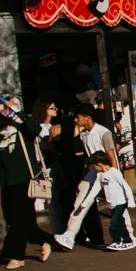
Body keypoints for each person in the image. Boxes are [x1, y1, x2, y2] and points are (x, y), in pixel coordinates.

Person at [0, 94, 54, 269]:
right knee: (19, 219)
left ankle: (15, 255)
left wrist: (17, 112)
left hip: (26, 179)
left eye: (8, 106)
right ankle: (45, 240)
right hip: (7, 180)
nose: (4, 110)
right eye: (2, 107)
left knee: (19, 218)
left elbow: (35, 129)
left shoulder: (24, 127)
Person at [52, 103, 119, 250]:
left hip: (105, 172)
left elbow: (112, 156)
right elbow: (77, 149)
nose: (76, 120)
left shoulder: (104, 133)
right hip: (91, 173)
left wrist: (114, 176)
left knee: (117, 204)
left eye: (78, 117)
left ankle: (122, 237)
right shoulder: (83, 133)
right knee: (80, 203)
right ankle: (69, 235)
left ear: (87, 118)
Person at [86, 149, 136, 252]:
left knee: (114, 224)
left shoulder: (114, 173)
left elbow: (126, 186)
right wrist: (86, 202)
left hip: (121, 202)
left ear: (99, 164)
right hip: (112, 203)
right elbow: (95, 189)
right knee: (121, 223)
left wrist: (131, 200)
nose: (93, 168)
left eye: (94, 166)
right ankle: (128, 241)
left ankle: (117, 241)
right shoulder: (100, 176)